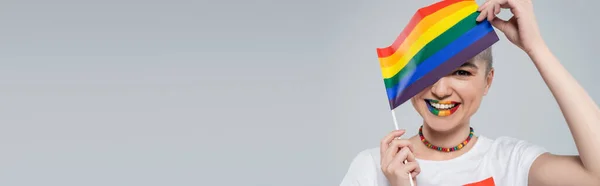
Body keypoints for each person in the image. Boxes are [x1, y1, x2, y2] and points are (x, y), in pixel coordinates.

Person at [340, 0, 600, 185]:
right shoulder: (373, 168)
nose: (440, 90)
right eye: (426, 73)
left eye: (461, 72)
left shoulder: (511, 162)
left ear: (488, 82)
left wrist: (537, 48)